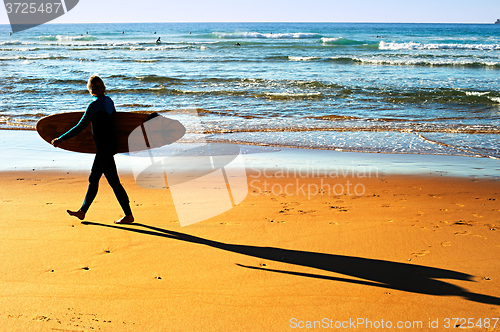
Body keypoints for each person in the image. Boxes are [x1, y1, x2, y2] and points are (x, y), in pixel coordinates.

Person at [51, 75, 134, 224]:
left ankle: (128, 215)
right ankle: (82, 211)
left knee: (114, 182)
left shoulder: (93, 105)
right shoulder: (109, 101)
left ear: (91, 89)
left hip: (103, 149)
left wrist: (61, 139)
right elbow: (115, 123)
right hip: (109, 146)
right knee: (93, 179)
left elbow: (79, 127)